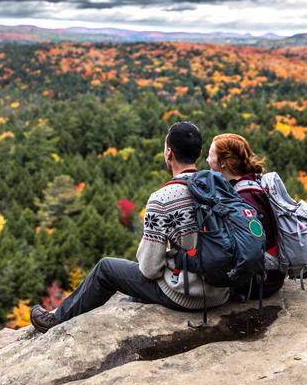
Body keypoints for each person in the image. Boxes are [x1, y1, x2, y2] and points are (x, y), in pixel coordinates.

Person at [30, 122, 230, 333]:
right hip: (222, 290)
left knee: (106, 268)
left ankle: (56, 320)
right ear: (199, 153)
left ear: (169, 153)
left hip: (187, 295)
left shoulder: (162, 199)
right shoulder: (220, 186)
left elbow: (150, 269)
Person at [206, 133, 285, 298]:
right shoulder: (253, 184)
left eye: (210, 155)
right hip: (272, 276)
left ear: (223, 163)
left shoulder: (243, 198)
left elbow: (250, 249)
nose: (207, 160)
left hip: (260, 283)